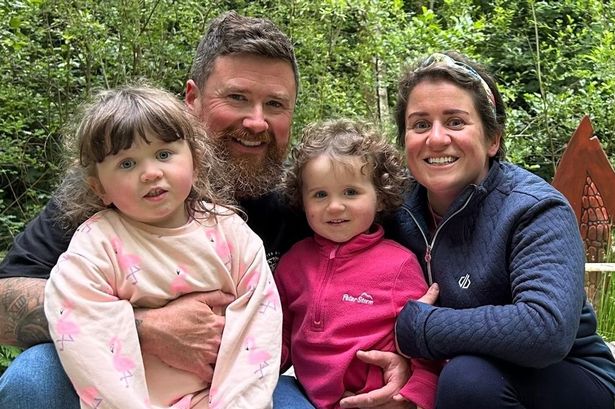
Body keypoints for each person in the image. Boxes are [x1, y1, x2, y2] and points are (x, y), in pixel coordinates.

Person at [0, 10, 405, 409]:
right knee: (33, 376)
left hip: (246, 383)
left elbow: (390, 269)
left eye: (275, 104)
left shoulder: (312, 200)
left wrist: (406, 361)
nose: (257, 121)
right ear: (192, 98)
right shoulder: (116, 197)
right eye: (237, 98)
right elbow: (5, 298)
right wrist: (142, 327)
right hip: (118, 380)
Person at [386, 51, 615, 408]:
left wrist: (421, 329)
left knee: (467, 379)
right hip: (451, 374)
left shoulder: (534, 208)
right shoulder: (392, 207)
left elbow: (545, 329)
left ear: (492, 139)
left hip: (569, 378)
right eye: (420, 125)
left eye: (456, 122)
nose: (436, 138)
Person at [44, 84, 281, 408]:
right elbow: (81, 326)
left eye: (164, 154)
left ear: (195, 161)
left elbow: (260, 322)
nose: (150, 173)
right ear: (99, 188)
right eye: (127, 164)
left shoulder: (231, 233)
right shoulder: (97, 246)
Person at [274, 118, 441, 409]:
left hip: (379, 401)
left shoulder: (398, 264)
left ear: (380, 197)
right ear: (302, 200)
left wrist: (411, 398)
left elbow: (424, 340)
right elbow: (277, 336)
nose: (335, 206)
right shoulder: (292, 264)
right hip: (309, 399)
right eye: (320, 194)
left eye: (351, 192)